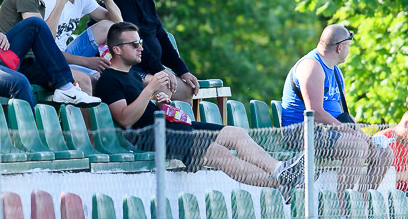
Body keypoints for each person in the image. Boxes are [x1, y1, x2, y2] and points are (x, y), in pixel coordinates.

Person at [95, 22, 303, 191]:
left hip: (170, 128)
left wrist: (159, 103)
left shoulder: (132, 75)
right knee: (219, 154)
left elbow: (141, 108)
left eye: (140, 42)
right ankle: (281, 183)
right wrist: (149, 90)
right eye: (134, 44)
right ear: (117, 49)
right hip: (151, 137)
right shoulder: (109, 80)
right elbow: (125, 119)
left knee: (236, 134)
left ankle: (279, 169)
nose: (141, 47)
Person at [281, 24, 393, 213]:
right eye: (349, 46)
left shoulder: (334, 71)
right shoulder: (312, 67)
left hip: (330, 132)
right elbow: (315, 113)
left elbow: (343, 114)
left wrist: (364, 135)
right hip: (302, 132)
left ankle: (360, 208)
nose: (349, 50)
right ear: (340, 47)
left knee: (384, 153)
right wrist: (355, 136)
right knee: (357, 147)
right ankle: (341, 214)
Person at [109, 0, 199, 103]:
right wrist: (160, 70)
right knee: (164, 85)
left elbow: (160, 36)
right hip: (127, 67)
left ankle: (181, 120)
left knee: (188, 89)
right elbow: (134, 42)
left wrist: (183, 71)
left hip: (146, 67)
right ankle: (157, 119)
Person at [41, 0, 122, 94]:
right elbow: (46, 49)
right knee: (95, 79)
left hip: (65, 54)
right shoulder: (50, 0)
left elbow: (119, 27)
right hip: (47, 59)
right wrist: (87, 61)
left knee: (108, 27)